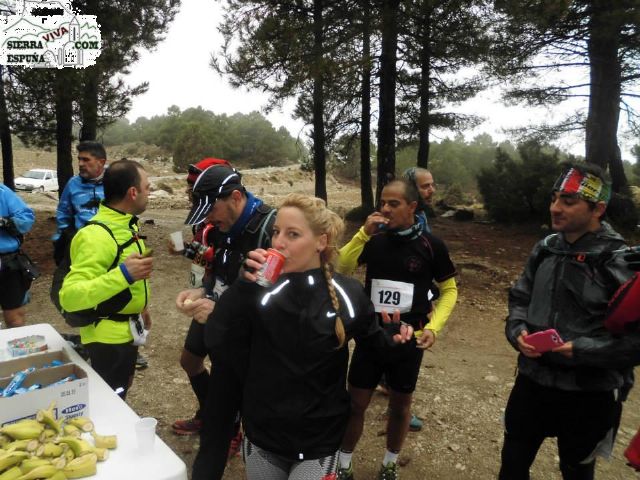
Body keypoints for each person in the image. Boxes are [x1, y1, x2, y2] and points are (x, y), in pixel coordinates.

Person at [206, 193, 414, 480]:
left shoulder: (347, 294)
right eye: (276, 232)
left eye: (293, 234)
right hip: (263, 434)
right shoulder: (258, 290)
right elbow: (218, 341)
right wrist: (241, 287)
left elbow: (377, 349)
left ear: (321, 241)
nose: (278, 243)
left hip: (319, 440)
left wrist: (395, 338)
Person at [499, 163, 640, 480]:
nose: (555, 208)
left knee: (576, 472)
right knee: (512, 465)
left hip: (588, 395)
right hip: (532, 382)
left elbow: (636, 343)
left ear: (598, 208)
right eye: (554, 198)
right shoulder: (546, 248)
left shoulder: (620, 260)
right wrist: (517, 332)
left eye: (568, 200)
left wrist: (583, 350)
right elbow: (519, 297)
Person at [337, 178, 458, 480]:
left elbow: (450, 289)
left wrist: (434, 327)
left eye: (394, 204)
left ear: (412, 207)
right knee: (356, 403)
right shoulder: (374, 239)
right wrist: (363, 233)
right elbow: (342, 267)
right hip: (371, 334)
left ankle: (389, 463)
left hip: (410, 337)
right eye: (383, 203)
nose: (386, 209)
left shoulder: (432, 245)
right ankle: (343, 464)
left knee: (401, 405)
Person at [174, 165, 275, 479]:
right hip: (224, 345)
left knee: (265, 439)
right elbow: (220, 268)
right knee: (215, 432)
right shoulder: (220, 226)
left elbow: (276, 305)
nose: (207, 220)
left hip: (258, 357)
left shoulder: (270, 230)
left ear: (235, 197)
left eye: (211, 210)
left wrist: (218, 311)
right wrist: (202, 290)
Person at [59, 159, 153, 400]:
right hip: (107, 340)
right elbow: (70, 297)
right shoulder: (96, 235)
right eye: (147, 187)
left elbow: (121, 279)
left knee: (121, 390)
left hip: (127, 331)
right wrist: (124, 274)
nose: (150, 193)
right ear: (133, 192)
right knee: (109, 401)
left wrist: (141, 307)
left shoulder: (126, 224)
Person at [52, 141, 107, 265]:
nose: (81, 164)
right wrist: (64, 237)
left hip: (110, 245)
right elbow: (63, 213)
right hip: (80, 246)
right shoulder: (73, 183)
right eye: (79, 159)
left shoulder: (114, 180)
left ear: (101, 162)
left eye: (86, 160)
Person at [0, 184, 35, 328]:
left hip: (7, 263)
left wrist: (5, 221)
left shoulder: (2, 192)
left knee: (15, 319)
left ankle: (16, 349)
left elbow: (26, 218)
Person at [403, 167, 435, 233]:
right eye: (425, 186)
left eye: (432, 185)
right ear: (410, 189)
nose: (432, 190)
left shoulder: (420, 213)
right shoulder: (397, 219)